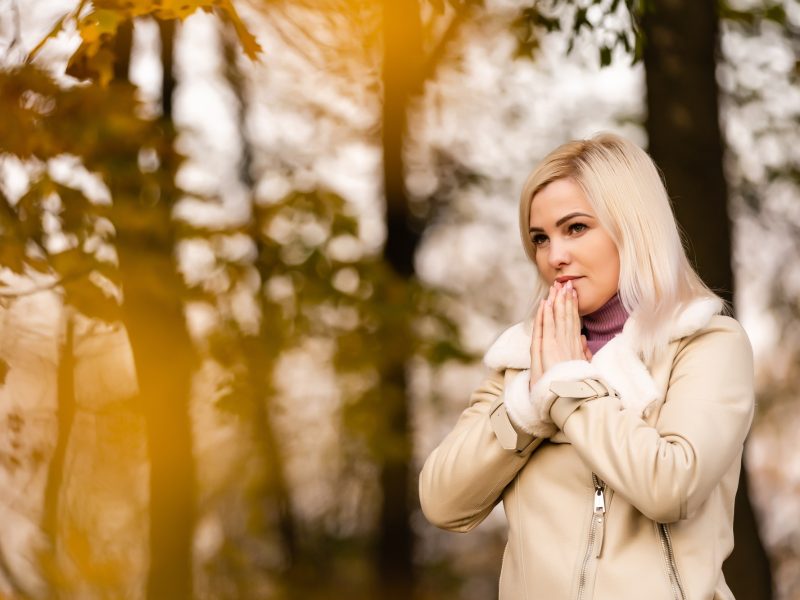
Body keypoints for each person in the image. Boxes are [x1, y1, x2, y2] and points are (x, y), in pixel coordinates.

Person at [418, 132, 754, 600]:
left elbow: (671, 487)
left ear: (631, 226)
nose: (555, 256)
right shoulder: (522, 361)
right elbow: (442, 502)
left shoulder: (705, 343)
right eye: (540, 238)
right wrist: (526, 406)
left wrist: (567, 386)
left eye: (575, 228)